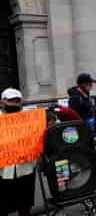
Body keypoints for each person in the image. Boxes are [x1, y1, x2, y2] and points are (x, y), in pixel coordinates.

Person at [0, 88, 36, 216]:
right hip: (3, 171)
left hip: (26, 168)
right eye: (11, 101)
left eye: (17, 101)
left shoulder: (29, 118)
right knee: (3, 206)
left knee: (25, 205)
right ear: (2, 102)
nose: (15, 104)